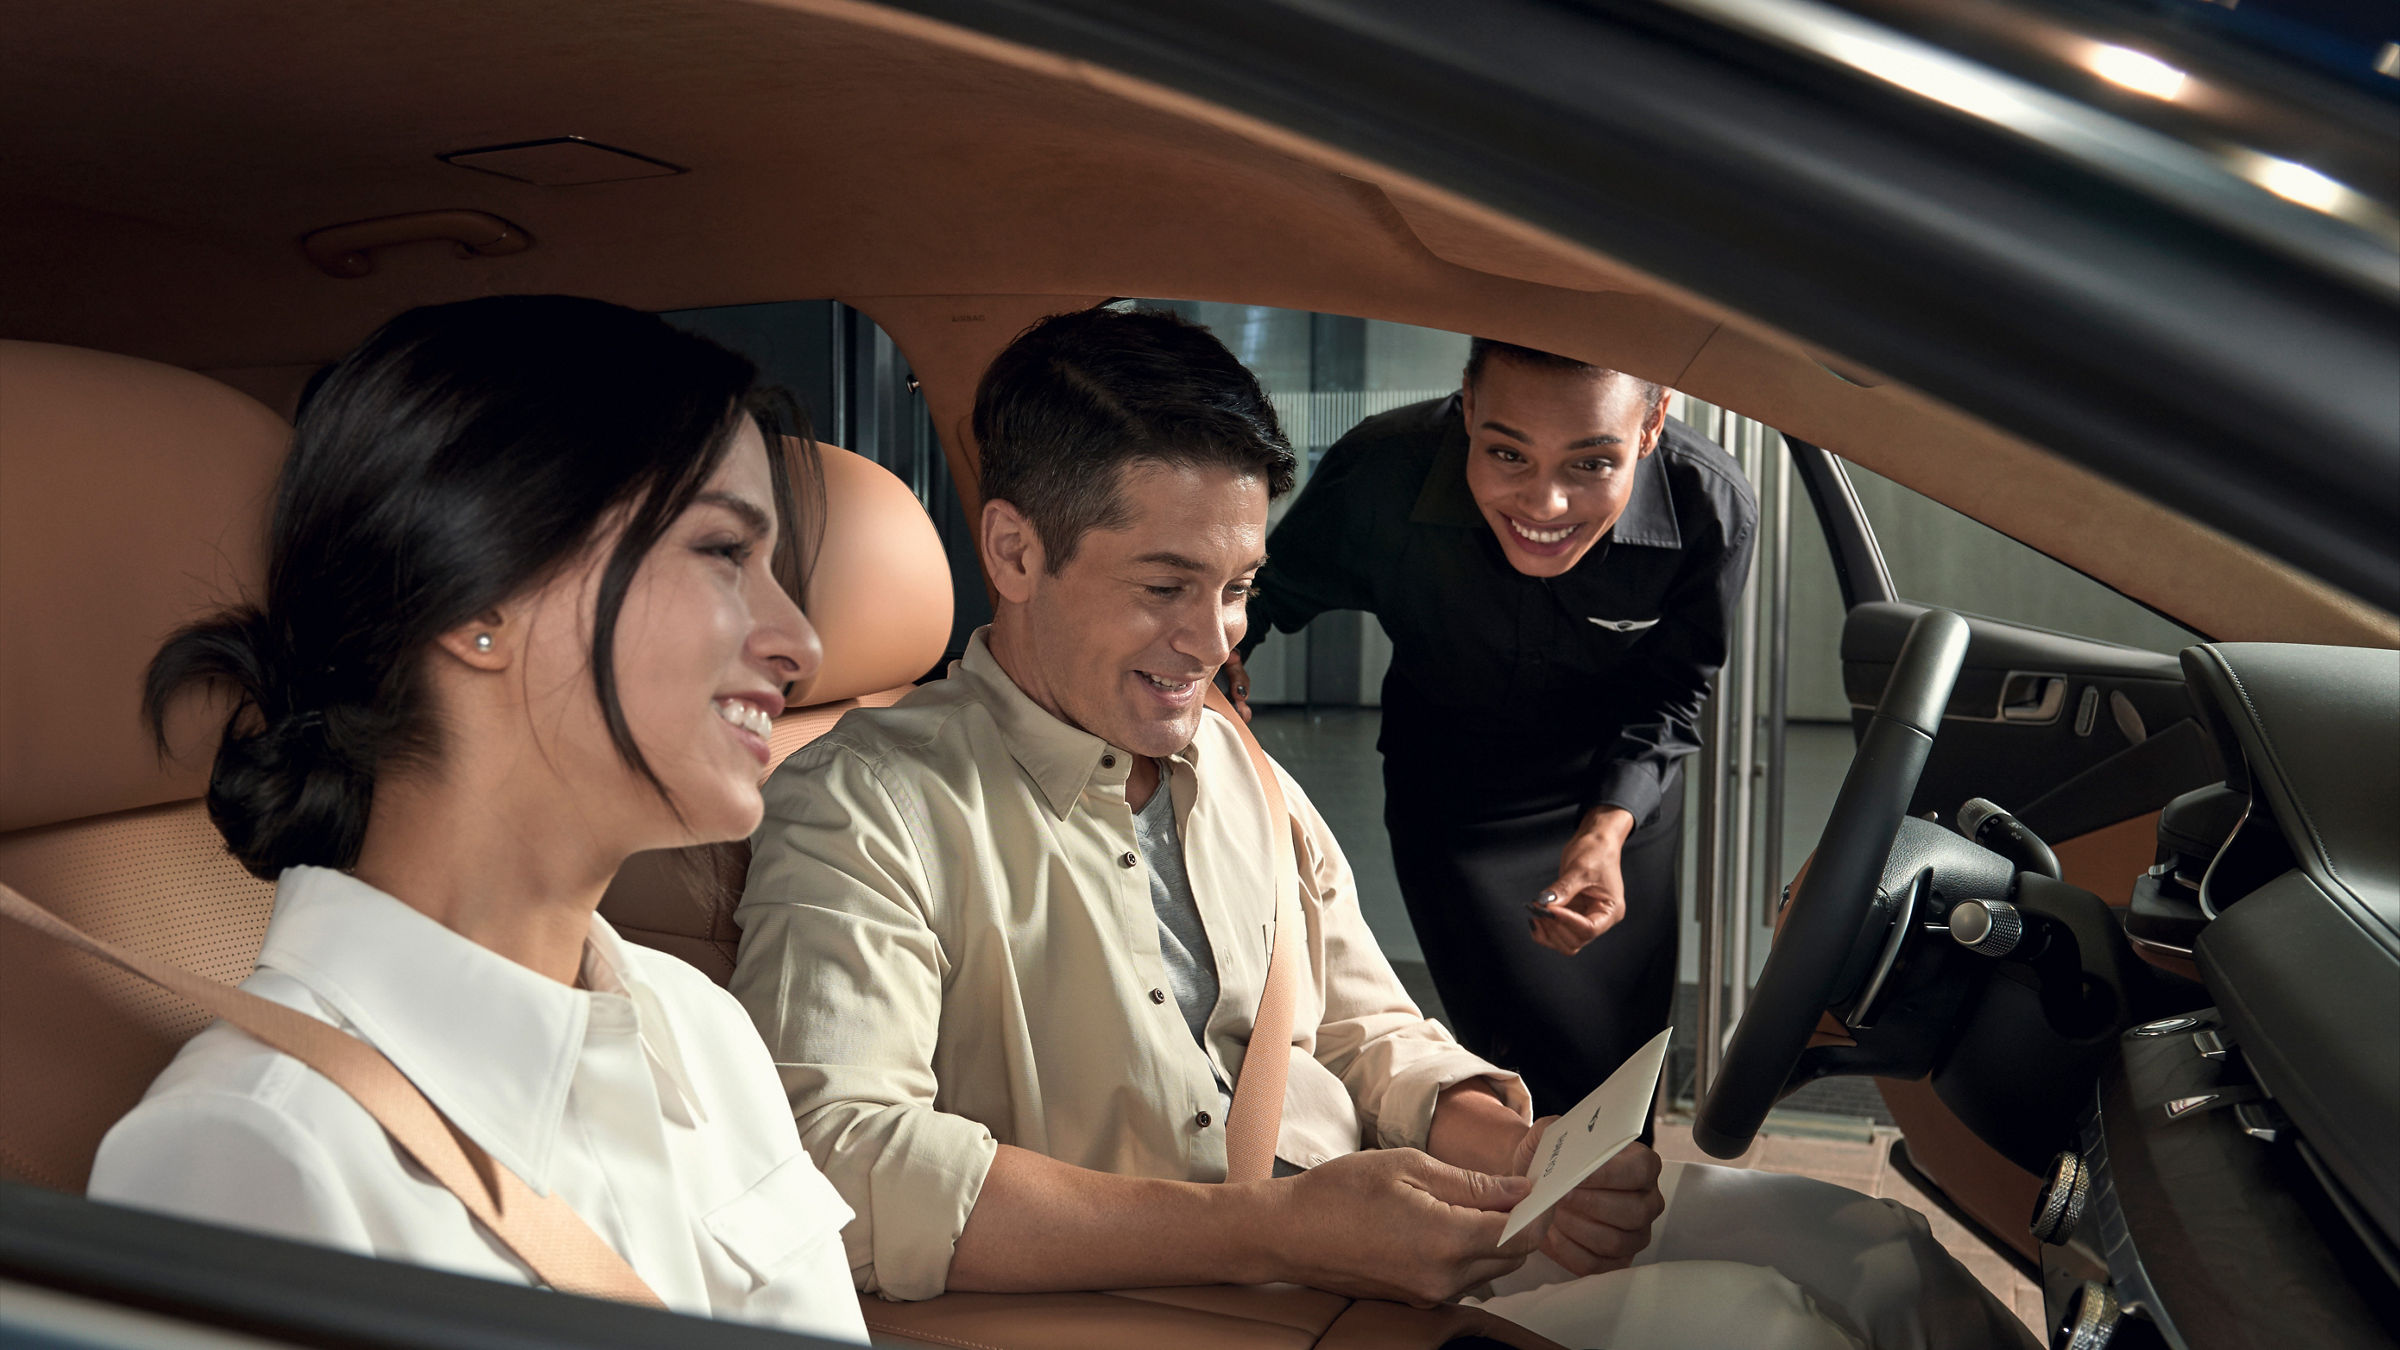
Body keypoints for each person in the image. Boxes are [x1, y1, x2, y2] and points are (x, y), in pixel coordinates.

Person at [733, 307, 2036, 1349]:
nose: (1212, 642)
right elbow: (841, 1161)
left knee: (1886, 1257)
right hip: (1226, 1296)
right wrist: (1277, 1233)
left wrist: (1514, 1154)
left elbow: (1367, 1028)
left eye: (1239, 588)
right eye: (1165, 586)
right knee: (1768, 1329)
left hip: (1372, 1240)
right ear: (1013, 553)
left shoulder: (1235, 770)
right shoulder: (864, 802)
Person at [87, 295, 870, 1343]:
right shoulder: (250, 1151)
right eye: (725, 551)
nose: (802, 644)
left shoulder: (703, 1031)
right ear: (475, 602)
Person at [1227, 341, 1754, 1118]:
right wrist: (1218, 685)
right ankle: (1504, 1229)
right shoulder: (1384, 470)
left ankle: (1604, 1233)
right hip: (1450, 795)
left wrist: (1606, 831)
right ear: (1467, 403)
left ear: (1652, 423)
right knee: (1502, 1065)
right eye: (1507, 452)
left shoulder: (1708, 504)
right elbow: (1252, 597)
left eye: (1591, 464)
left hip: (1613, 798)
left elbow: (1674, 693)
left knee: (1616, 1085)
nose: (1544, 505)